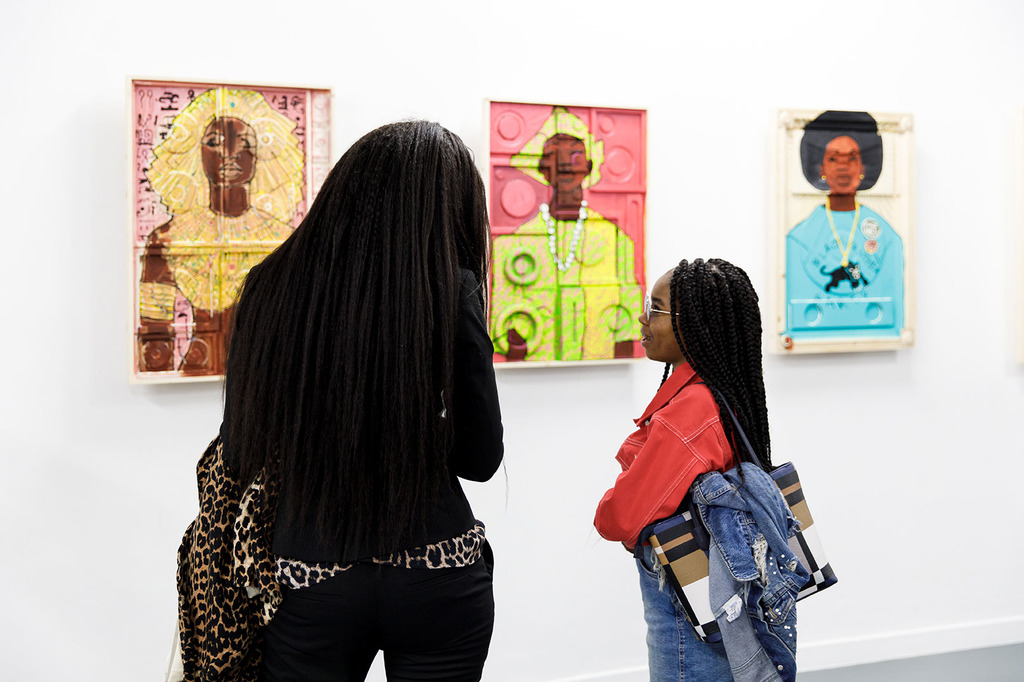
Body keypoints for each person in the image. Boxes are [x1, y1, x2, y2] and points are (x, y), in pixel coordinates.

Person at [223, 120, 504, 680]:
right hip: (436, 569)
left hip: (310, 573)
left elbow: (239, 453)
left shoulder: (267, 288)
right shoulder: (454, 291)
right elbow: (480, 460)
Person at [594, 258, 781, 680]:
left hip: (688, 615)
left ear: (694, 324)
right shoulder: (721, 390)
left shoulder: (690, 411)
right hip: (726, 601)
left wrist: (610, 502)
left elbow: (617, 518)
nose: (643, 318)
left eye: (656, 308)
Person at [138, 87, 304, 376]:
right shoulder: (167, 239)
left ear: (261, 155)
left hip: (269, 380)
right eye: (214, 142)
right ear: (195, 152)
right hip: (195, 375)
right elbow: (154, 335)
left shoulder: (285, 239)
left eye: (245, 143)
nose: (230, 154)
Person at [489, 106, 642, 361]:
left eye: (575, 157)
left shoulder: (616, 240)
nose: (565, 164)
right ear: (543, 169)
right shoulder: (511, 245)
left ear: (589, 167)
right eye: (555, 158)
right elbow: (505, 331)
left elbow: (627, 330)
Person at [783, 110, 904, 347]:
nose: (842, 167)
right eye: (833, 159)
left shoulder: (889, 238)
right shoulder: (798, 239)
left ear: (863, 167)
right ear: (820, 168)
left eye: (852, 158)